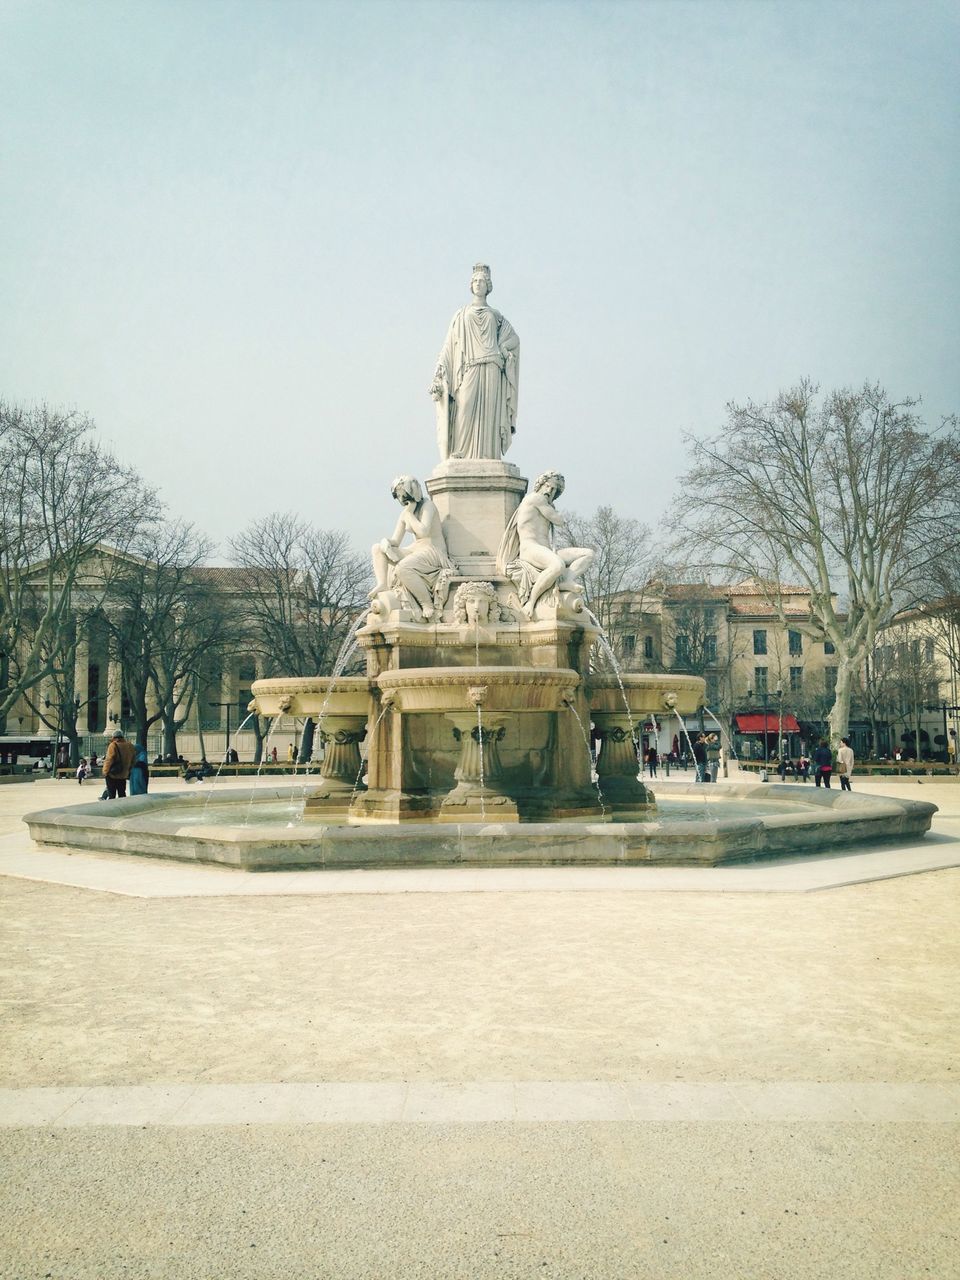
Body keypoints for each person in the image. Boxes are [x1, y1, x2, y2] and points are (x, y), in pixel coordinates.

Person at [430, 263, 520, 460]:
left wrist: (503, 349)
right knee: (464, 406)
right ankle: (460, 449)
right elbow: (449, 345)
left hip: (492, 366)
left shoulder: (496, 316)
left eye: (482, 281)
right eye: (475, 281)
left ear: (488, 286)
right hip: (469, 366)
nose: (478, 284)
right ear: (471, 285)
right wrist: (439, 369)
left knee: (488, 413)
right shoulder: (461, 314)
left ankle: (489, 452)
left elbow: (514, 339)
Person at [496, 472, 594, 620]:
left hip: (545, 550)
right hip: (530, 549)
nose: (549, 491)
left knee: (588, 554)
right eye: (547, 486)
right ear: (540, 485)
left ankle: (566, 580)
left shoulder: (545, 503)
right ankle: (531, 602)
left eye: (554, 489)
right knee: (557, 565)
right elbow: (558, 520)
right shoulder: (535, 498)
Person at [370, 476, 453, 622]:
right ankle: (382, 583)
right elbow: (396, 540)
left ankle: (426, 604)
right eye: (398, 496)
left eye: (403, 494)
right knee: (377, 548)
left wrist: (409, 514)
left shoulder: (428, 506)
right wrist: (386, 542)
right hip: (416, 549)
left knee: (403, 568)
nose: (401, 499)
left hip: (433, 549)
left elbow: (423, 531)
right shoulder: (406, 512)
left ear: (411, 492)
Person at [101, 728, 136, 799]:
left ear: (114, 737)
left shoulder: (113, 745)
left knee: (112, 794)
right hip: (124, 774)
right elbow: (133, 760)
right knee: (122, 793)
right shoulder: (130, 745)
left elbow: (109, 759)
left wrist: (105, 771)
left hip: (112, 774)